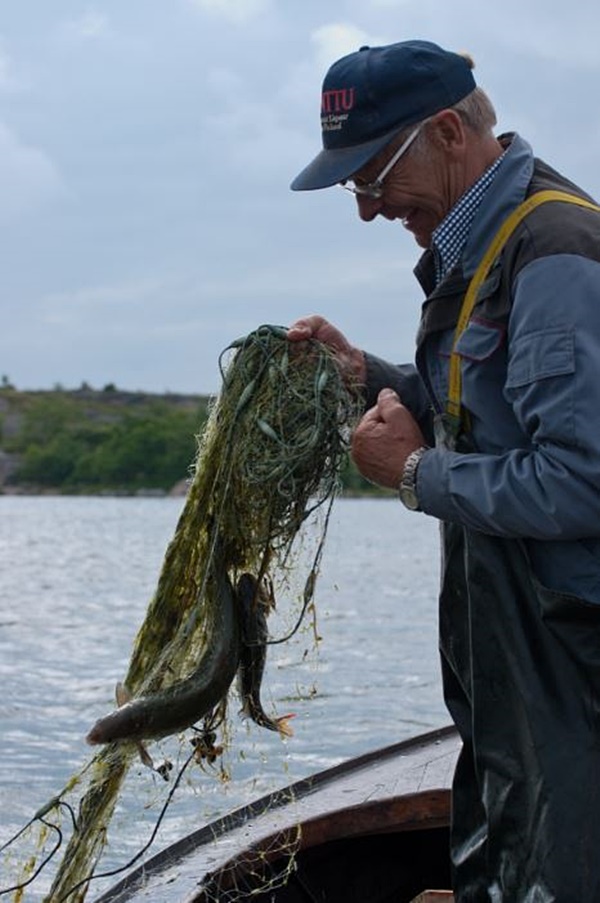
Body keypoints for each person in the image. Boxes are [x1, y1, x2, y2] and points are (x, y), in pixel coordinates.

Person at [288, 39, 600, 902]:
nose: (367, 207)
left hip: (571, 666)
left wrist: (415, 473)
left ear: (449, 132)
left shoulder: (555, 248)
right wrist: (370, 377)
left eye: (372, 176)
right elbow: (479, 409)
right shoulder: (484, 245)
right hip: (509, 668)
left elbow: (581, 480)